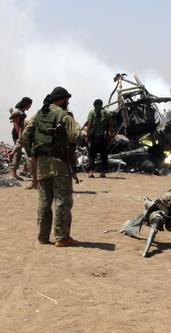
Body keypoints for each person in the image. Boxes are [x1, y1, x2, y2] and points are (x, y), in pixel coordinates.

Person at [21, 87, 80, 247]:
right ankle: (62, 238)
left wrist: (32, 153)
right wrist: (81, 128)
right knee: (62, 200)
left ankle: (43, 237)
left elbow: (25, 135)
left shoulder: (40, 114)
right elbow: (75, 136)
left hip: (42, 164)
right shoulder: (64, 115)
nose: (68, 102)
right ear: (61, 100)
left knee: (44, 201)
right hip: (60, 164)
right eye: (67, 99)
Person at [84, 99, 113, 178]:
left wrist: (87, 136)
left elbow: (89, 125)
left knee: (92, 154)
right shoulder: (107, 113)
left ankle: (91, 172)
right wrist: (111, 136)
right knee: (104, 155)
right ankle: (103, 172)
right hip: (103, 137)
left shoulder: (92, 113)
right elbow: (110, 126)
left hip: (94, 137)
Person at [7, 97, 34, 184]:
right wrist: (13, 151)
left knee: (30, 155)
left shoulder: (26, 120)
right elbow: (19, 135)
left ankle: (30, 174)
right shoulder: (21, 117)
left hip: (27, 138)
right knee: (21, 154)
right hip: (20, 136)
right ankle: (16, 173)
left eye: (16, 119)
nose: (30, 106)